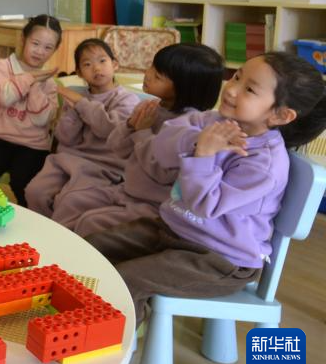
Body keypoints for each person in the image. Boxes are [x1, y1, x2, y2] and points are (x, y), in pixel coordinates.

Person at [86, 52, 326, 326]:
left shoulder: (264, 164)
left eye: (249, 89)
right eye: (237, 77)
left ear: (281, 115)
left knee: (126, 280)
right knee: (92, 249)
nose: (232, 89)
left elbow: (204, 206)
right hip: (172, 230)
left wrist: (204, 155)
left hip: (220, 259)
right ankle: (78, 316)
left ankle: (110, 340)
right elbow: (161, 148)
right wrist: (199, 139)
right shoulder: (211, 120)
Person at [50, 43, 223, 233]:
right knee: (72, 201)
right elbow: (117, 147)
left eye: (157, 76)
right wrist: (130, 126)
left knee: (90, 222)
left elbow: (160, 172)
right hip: (127, 190)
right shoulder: (151, 107)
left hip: (154, 204)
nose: (147, 74)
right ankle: (50, 247)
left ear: (183, 89)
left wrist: (142, 132)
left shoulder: (188, 127)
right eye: (151, 67)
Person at [25, 39, 139, 215]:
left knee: (68, 201)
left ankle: (61, 230)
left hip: (103, 166)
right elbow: (65, 137)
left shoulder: (126, 99)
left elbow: (109, 130)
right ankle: (44, 229)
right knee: (35, 192)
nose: (97, 68)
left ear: (114, 64)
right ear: (79, 72)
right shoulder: (76, 94)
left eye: (102, 61)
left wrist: (81, 103)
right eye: (87, 64)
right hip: (68, 160)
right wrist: (74, 109)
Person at [0, 14, 62, 204]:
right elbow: (4, 97)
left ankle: (30, 219)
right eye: (35, 43)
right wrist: (31, 78)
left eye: (48, 47)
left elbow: (41, 120)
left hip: (33, 145)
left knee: (25, 185)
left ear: (55, 50)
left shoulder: (50, 83)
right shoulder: (3, 66)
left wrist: (37, 84)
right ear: (23, 39)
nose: (40, 52)